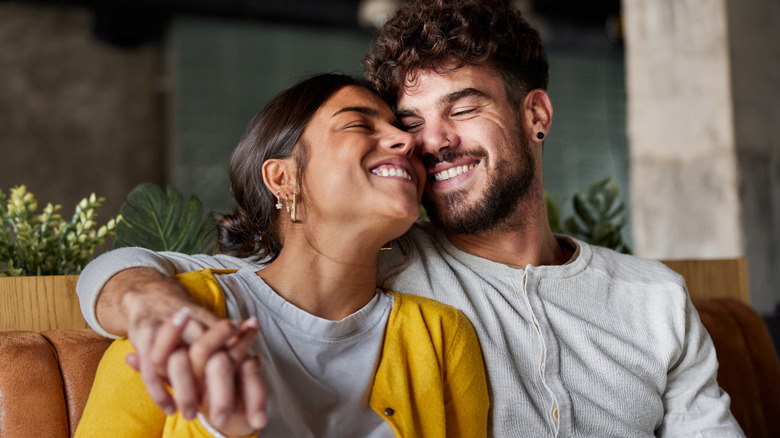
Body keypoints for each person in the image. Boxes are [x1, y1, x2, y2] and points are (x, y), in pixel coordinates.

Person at [77, 0, 744, 436]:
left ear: (535, 115)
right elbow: (164, 277)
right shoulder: (382, 263)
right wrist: (151, 307)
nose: (428, 142)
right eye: (411, 121)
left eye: (463, 108)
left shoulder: (655, 299)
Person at [75, 73, 489, 437]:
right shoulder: (179, 318)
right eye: (359, 124)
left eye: (400, 129)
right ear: (283, 178)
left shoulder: (440, 336)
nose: (408, 141)